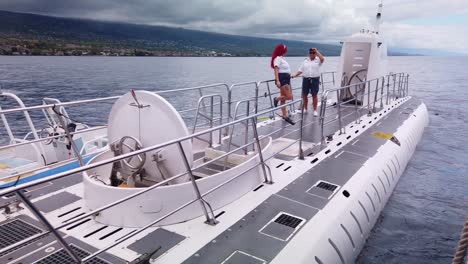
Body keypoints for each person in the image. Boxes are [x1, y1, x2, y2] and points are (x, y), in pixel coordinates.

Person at [292, 48, 325, 116]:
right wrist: (294, 75)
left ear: (315, 53)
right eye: (310, 52)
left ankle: (315, 110)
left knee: (314, 95)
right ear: (309, 53)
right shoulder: (305, 61)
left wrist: (316, 51)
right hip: (306, 79)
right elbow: (301, 70)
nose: (311, 54)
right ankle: (305, 109)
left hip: (315, 79)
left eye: (313, 53)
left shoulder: (318, 60)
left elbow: (322, 59)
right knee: (304, 94)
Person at [271, 44, 295, 125]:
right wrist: (277, 80)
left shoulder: (282, 59)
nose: (286, 52)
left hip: (286, 78)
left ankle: (284, 115)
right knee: (289, 97)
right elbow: (276, 69)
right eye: (285, 51)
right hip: (283, 79)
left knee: (284, 99)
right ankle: (276, 99)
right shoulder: (277, 59)